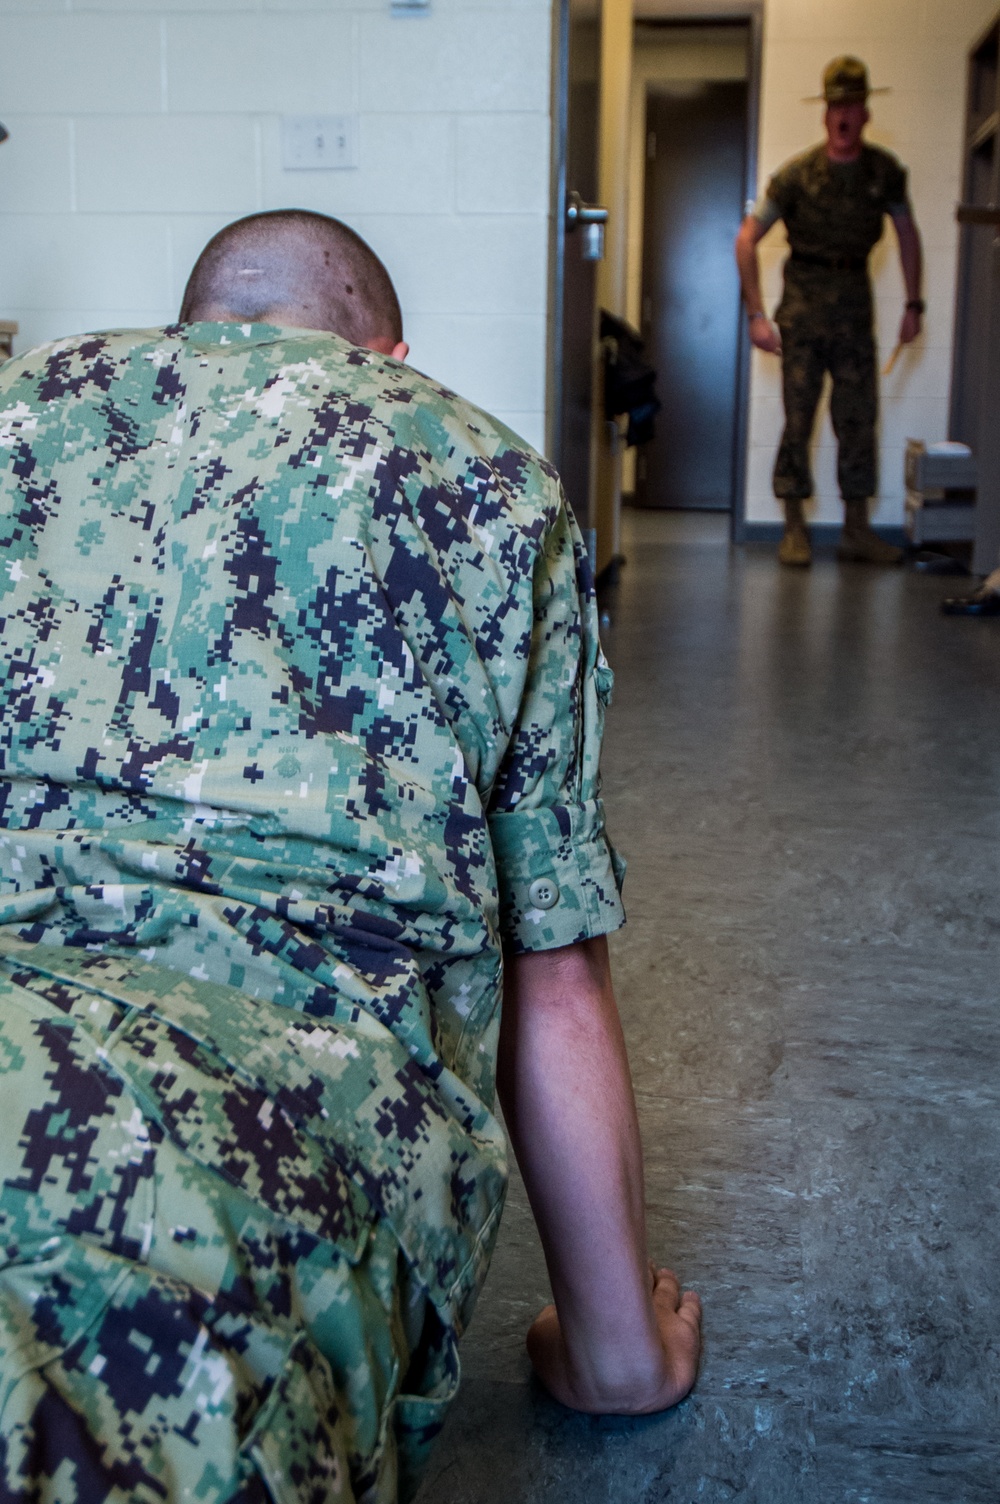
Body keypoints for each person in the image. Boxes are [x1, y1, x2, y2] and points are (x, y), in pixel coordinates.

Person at [0, 210, 701, 1504]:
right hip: (203, 1205)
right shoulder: (481, 476)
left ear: (190, 332)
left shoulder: (18, 406)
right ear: (389, 354)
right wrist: (621, 1357)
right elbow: (556, 977)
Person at [735, 56, 925, 568]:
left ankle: (856, 529)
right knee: (799, 420)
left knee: (859, 419)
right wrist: (756, 315)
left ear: (865, 112)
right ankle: (793, 527)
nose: (843, 116)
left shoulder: (884, 173)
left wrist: (913, 303)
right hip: (802, 311)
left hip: (855, 310)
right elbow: (747, 238)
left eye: (852, 106)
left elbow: (908, 235)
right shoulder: (796, 176)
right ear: (825, 114)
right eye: (835, 106)